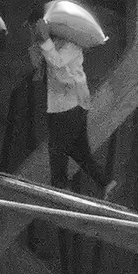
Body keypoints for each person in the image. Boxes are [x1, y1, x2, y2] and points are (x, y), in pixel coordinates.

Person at [32, 19, 114, 197]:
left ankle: (61, 189)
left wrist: (45, 40)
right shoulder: (54, 44)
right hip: (60, 105)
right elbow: (40, 72)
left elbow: (58, 66)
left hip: (70, 104)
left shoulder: (71, 46)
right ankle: (106, 182)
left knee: (57, 150)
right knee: (79, 151)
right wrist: (38, 43)